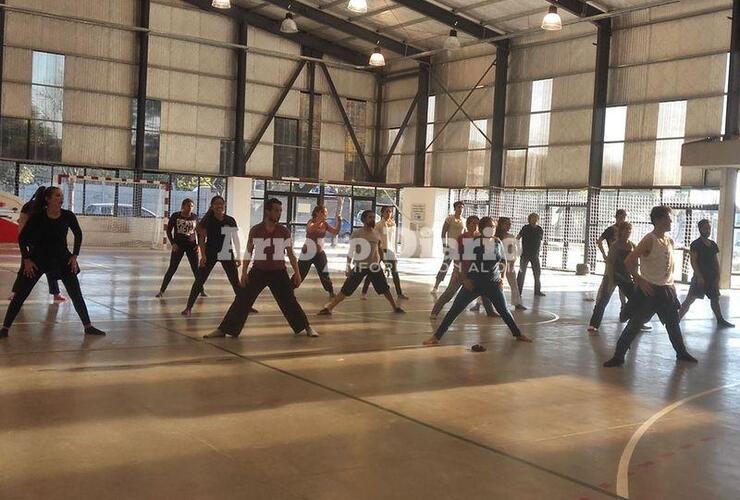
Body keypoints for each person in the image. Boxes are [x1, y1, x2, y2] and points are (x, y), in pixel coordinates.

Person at [204, 198, 318, 338]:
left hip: (278, 272)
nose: (279, 213)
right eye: (276, 210)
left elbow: (290, 253)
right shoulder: (256, 230)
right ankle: (223, 330)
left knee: (289, 300)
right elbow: (248, 252)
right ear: (267, 211)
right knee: (242, 299)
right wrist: (244, 273)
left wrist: (298, 273)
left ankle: (306, 327)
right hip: (258, 271)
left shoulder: (283, 231)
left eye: (280, 210)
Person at [1, 186, 105, 338]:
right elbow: (22, 238)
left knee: (76, 294)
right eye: (57, 195)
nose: (60, 198)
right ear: (48, 199)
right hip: (38, 260)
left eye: (61, 196)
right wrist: (27, 259)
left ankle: (88, 326)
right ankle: (5, 328)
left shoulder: (68, 216)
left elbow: (78, 234)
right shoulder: (38, 217)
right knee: (20, 294)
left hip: (63, 260)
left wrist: (74, 255)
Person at [603, 206, 697, 367]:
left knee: (673, 323)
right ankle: (618, 356)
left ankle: (681, 353)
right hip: (650, 290)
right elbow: (629, 261)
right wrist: (639, 279)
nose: (671, 221)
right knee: (635, 324)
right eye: (668, 218)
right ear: (658, 220)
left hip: (666, 290)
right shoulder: (649, 239)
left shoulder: (669, 241)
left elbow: (668, 267)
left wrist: (671, 285)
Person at [424, 217, 532, 345]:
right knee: (455, 309)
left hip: (493, 283)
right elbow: (464, 263)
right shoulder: (474, 242)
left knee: (504, 310)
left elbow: (503, 261)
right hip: (473, 283)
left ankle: (518, 334)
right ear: (482, 229)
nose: (491, 229)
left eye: (493, 226)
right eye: (489, 226)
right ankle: (436, 337)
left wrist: (502, 278)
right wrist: (465, 279)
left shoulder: (498, 242)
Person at [318, 210, 405, 316]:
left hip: (374, 266)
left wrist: (385, 264)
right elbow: (351, 251)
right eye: (370, 217)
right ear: (364, 220)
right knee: (346, 289)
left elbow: (380, 250)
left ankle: (395, 307)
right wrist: (348, 266)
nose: (372, 219)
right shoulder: (357, 233)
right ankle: (329, 308)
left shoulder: (376, 234)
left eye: (373, 217)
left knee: (385, 289)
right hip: (360, 266)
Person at [181, 195, 246, 316]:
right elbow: (201, 239)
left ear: (224, 206)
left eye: (221, 203)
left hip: (226, 252)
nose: (219, 206)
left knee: (235, 281)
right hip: (211, 253)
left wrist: (238, 255)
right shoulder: (207, 221)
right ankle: (188, 307)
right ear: (212, 206)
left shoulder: (230, 220)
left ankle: (245, 305)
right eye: (216, 203)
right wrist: (203, 256)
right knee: (200, 280)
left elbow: (235, 238)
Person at [430, 215, 497, 319]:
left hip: (475, 270)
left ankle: (490, 311)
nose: (475, 225)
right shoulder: (462, 238)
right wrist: (457, 270)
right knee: (450, 292)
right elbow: (457, 255)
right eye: (473, 223)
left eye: (477, 223)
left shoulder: (480, 237)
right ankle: (435, 311)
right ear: (468, 225)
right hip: (462, 270)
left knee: (484, 290)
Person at [7, 186, 65, 302]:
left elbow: (22, 224)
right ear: (46, 197)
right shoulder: (33, 207)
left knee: (31, 267)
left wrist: (25, 240)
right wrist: (25, 241)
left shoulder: (40, 207)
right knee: (33, 267)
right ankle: (54, 294)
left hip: (39, 243)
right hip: (35, 242)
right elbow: (23, 224)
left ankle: (16, 293)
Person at [678, 220, 734, 328]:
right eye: (705, 228)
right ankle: (676, 321)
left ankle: (720, 320)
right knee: (690, 299)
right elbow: (693, 261)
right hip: (700, 277)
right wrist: (699, 276)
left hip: (711, 277)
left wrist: (718, 276)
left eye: (709, 228)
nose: (707, 230)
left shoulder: (713, 244)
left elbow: (715, 261)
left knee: (715, 299)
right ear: (700, 229)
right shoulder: (695, 244)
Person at [587, 222, 635, 332]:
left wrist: (635, 275)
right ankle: (594, 324)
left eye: (630, 230)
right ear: (621, 231)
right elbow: (610, 263)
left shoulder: (631, 245)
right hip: (613, 275)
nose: (628, 232)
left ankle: (629, 318)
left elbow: (636, 258)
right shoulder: (615, 246)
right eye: (626, 230)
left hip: (625, 276)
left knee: (634, 298)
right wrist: (610, 280)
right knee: (603, 299)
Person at [156, 198, 207, 298]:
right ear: (183, 206)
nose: (190, 208)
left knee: (196, 269)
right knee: (172, 268)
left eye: (192, 206)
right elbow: (169, 231)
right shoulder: (175, 216)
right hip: (178, 246)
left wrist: (198, 245)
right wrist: (173, 243)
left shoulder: (195, 217)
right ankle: (162, 291)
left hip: (191, 246)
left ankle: (201, 290)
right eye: (188, 206)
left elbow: (199, 233)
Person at [361, 206, 408, 301]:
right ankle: (364, 292)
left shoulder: (393, 225)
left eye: (390, 211)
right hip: (380, 251)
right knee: (372, 272)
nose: (389, 213)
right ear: (382, 213)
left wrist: (394, 253)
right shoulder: (378, 225)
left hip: (390, 251)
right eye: (387, 211)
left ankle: (399, 293)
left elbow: (392, 240)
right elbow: (375, 238)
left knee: (395, 273)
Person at [298, 205, 341, 298]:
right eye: (324, 212)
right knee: (301, 272)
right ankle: (289, 290)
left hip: (319, 253)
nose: (326, 214)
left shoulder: (325, 224)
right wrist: (320, 221)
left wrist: (339, 222)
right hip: (307, 253)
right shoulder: (311, 222)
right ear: (317, 212)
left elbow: (335, 232)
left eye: (326, 212)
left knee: (324, 273)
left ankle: (330, 291)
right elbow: (310, 229)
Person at [432, 201, 465, 292]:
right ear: (455, 208)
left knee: (460, 267)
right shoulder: (449, 219)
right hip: (450, 246)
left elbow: (465, 234)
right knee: (445, 265)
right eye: (458, 207)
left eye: (462, 207)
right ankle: (436, 286)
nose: (460, 209)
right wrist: (444, 245)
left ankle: (458, 285)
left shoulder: (464, 220)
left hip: (460, 248)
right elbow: (443, 232)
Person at [597, 209, 628, 307]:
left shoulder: (625, 230)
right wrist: (604, 254)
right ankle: (599, 304)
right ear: (616, 218)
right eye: (620, 218)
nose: (622, 220)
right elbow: (599, 241)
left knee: (622, 285)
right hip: (612, 261)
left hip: (622, 262)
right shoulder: (611, 229)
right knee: (607, 283)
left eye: (624, 218)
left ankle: (623, 305)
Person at [496, 217, 526, 311]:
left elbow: (512, 251)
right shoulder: (495, 237)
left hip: (508, 263)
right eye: (507, 224)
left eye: (510, 224)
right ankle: (480, 303)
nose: (509, 226)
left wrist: (512, 262)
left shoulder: (510, 236)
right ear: (501, 225)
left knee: (513, 283)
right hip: (496, 264)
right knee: (489, 283)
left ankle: (517, 303)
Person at [516, 213, 545, 297]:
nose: (535, 219)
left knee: (537, 272)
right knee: (522, 273)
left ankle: (537, 291)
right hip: (525, 254)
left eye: (536, 218)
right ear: (529, 219)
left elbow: (539, 241)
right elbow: (518, 237)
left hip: (535, 254)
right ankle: (518, 291)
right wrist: (517, 248)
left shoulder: (539, 229)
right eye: (533, 218)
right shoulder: (525, 228)